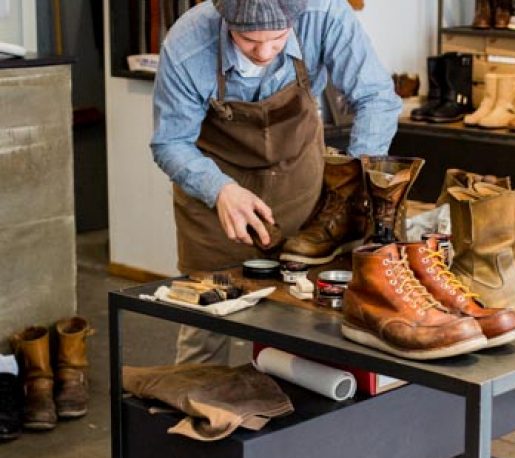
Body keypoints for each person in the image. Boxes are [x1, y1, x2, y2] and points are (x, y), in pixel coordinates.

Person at [150, 0, 401, 364]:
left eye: (279, 37)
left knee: (302, 317)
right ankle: (200, 411)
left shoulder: (325, 14)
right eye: (248, 40)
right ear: (225, 20)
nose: (264, 52)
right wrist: (220, 190)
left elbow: (377, 97)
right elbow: (170, 141)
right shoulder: (189, 44)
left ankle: (290, 411)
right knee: (204, 327)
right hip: (217, 199)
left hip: (299, 187)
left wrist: (352, 185)